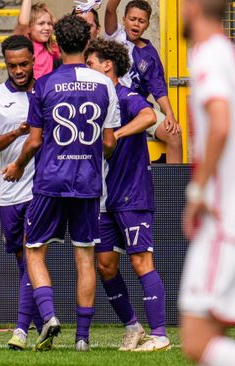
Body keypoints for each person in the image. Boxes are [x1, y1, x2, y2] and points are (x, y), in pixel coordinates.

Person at [2, 15, 119, 352]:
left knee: (34, 251)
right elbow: (109, 143)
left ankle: (50, 316)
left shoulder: (46, 84)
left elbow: (35, 141)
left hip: (51, 180)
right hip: (88, 182)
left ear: (56, 45)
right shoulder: (104, 84)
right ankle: (82, 339)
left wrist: (18, 164)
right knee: (85, 258)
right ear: (87, 44)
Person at [85, 38, 171, 351]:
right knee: (105, 264)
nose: (87, 68)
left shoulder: (126, 95)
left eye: (91, 63)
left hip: (132, 194)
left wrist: (117, 135)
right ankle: (134, 328)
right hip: (103, 198)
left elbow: (149, 116)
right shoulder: (93, 101)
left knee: (140, 261)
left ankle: (160, 335)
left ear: (107, 64)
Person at [0, 34, 42, 350]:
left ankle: (21, 330)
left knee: (31, 256)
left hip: (41, 190)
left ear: (33, 60)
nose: (18, 70)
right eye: (12, 65)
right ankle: (44, 323)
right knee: (23, 260)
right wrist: (17, 131)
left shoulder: (45, 92)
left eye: (23, 64)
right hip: (9, 190)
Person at [179, 0, 235, 364]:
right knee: (211, 335)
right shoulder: (225, 53)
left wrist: (198, 191)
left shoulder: (208, 55)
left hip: (221, 219)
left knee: (197, 342)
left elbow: (220, 122)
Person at [104, 0, 183, 163]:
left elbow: (158, 87)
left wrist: (169, 113)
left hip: (137, 109)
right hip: (110, 104)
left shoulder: (149, 54)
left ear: (147, 24)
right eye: (132, 19)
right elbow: (110, 10)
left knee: (174, 134)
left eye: (141, 21)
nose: (136, 24)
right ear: (124, 18)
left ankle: (173, 189)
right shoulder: (115, 35)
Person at [13, 0, 60, 79]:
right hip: (28, 89)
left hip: (46, 90)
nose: (47, 28)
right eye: (41, 23)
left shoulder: (51, 47)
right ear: (29, 27)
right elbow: (23, 23)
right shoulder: (25, 43)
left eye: (49, 24)